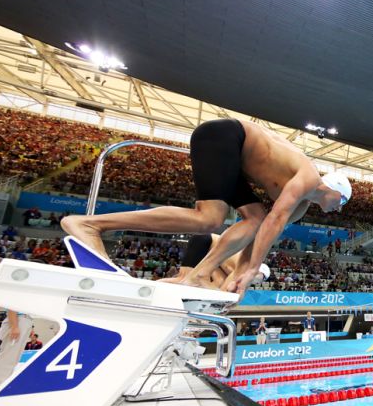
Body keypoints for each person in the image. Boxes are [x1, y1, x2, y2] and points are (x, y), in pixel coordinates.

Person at [62, 118, 352, 299]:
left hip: (235, 155)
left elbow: (264, 232)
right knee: (209, 219)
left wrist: (238, 277)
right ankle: (90, 224)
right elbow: (275, 219)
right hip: (224, 136)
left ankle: (197, 275)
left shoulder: (301, 205)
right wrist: (251, 270)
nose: (337, 212)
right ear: (337, 194)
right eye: (340, 205)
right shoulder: (309, 178)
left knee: (254, 219)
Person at [0, 310, 33, 388]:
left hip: (24, 320)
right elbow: (12, 308)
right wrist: (15, 326)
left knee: (13, 359)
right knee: (7, 358)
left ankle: (1, 385)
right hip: (18, 320)